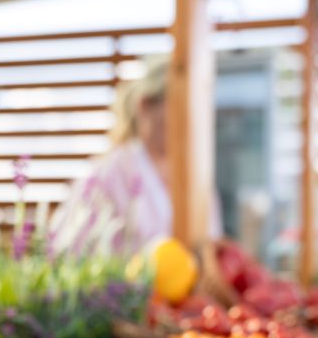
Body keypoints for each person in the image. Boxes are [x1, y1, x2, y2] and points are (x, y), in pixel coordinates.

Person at [52, 54, 221, 255]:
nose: (189, 119)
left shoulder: (196, 178)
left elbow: (213, 248)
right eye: (178, 105)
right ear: (145, 106)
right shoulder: (107, 174)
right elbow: (69, 252)